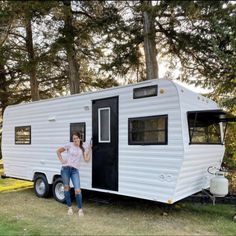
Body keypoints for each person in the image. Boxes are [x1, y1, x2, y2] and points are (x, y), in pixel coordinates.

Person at [56, 132, 92, 217]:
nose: (75, 140)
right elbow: (58, 151)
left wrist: (90, 149)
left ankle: (80, 209)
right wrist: (62, 161)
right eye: (74, 138)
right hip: (65, 169)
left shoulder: (82, 148)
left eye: (76, 138)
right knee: (66, 188)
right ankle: (69, 208)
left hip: (75, 171)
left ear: (80, 138)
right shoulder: (69, 145)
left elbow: (86, 159)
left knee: (77, 190)